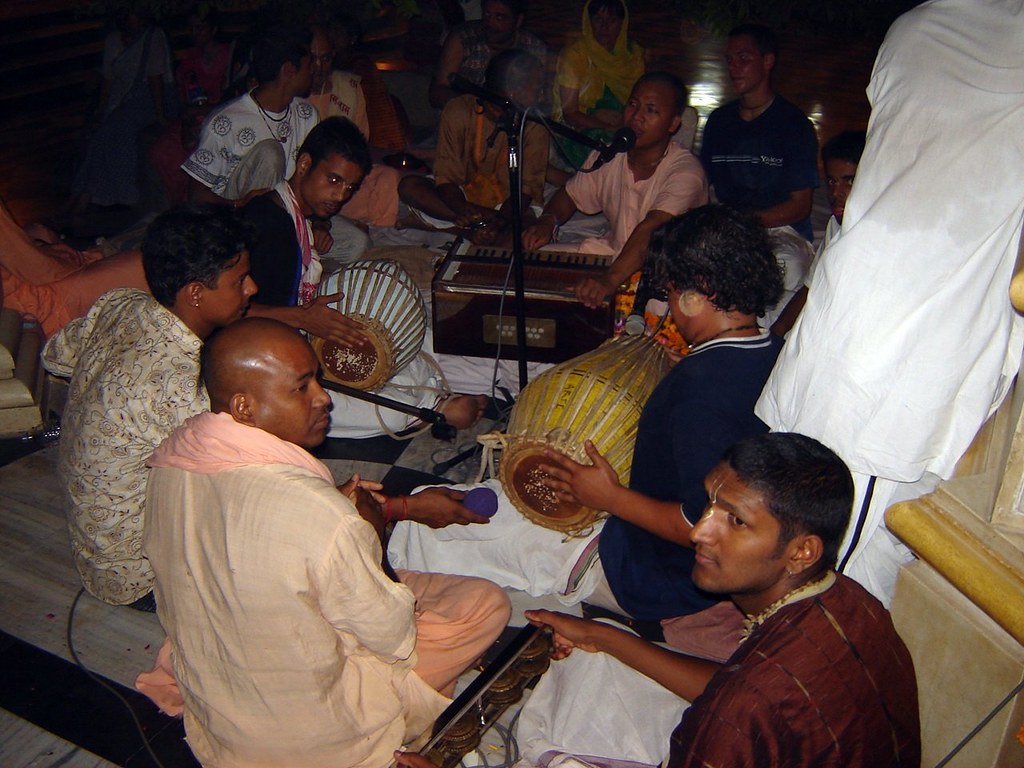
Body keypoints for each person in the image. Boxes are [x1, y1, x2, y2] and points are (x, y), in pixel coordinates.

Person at [390, 205, 783, 650]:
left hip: (640, 568)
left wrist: (608, 497)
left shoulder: (701, 394)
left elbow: (703, 524)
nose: (672, 307)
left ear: (701, 291)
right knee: (492, 500)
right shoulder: (770, 350)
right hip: (651, 540)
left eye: (673, 291)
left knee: (425, 522)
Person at [137, 318, 511, 767]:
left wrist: (387, 511)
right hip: (316, 741)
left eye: (317, 379)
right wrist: (370, 536)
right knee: (483, 605)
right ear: (244, 407)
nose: (324, 397)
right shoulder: (322, 517)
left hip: (222, 716)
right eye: (301, 388)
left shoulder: (174, 462)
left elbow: (259, 536)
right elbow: (393, 635)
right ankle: (407, 731)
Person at [756, 0, 1024, 606]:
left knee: (806, 518)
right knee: (847, 567)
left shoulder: (915, 26)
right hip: (907, 341)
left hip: (866, 302)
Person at [495, 433, 920, 768]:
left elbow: (742, 701)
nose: (700, 531)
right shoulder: (853, 602)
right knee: (598, 658)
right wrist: (604, 636)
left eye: (735, 520)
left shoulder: (732, 720)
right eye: (709, 504)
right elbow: (738, 685)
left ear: (801, 551)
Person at [40, 205, 257, 608]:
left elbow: (55, 355)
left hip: (92, 545)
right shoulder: (177, 385)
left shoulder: (121, 304)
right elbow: (234, 484)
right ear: (195, 293)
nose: (252, 289)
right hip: (136, 575)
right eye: (240, 280)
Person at [241, 116, 488, 436]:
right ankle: (434, 410)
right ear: (304, 164)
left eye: (349, 187)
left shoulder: (296, 216)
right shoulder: (261, 224)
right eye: (333, 180)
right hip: (265, 359)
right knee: (368, 409)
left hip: (300, 329)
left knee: (408, 339)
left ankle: (432, 392)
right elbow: (230, 315)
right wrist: (302, 318)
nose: (341, 196)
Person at [522, 72, 707, 311]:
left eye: (651, 110)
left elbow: (650, 231)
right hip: (612, 255)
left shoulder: (686, 172)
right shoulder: (612, 154)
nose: (636, 116)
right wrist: (548, 221)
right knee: (528, 264)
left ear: (673, 124)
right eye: (633, 104)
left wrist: (608, 280)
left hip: (668, 277)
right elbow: (569, 195)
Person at [699, 23, 818, 326]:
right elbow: (701, 185)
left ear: (767, 61)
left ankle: (762, 347)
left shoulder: (793, 125)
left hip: (781, 231)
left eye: (743, 58)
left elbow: (800, 205)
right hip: (728, 227)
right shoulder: (719, 122)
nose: (734, 68)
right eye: (729, 60)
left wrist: (746, 223)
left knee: (781, 268)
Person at [399, 48, 549, 246]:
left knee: (521, 238)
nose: (542, 95)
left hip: (512, 207)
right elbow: (446, 177)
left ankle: (466, 229)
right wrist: (460, 208)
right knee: (410, 187)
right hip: (462, 199)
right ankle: (471, 228)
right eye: (537, 88)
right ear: (512, 90)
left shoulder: (536, 124)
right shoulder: (459, 109)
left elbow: (526, 190)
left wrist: (500, 221)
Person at [68, 9, 175, 224]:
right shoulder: (114, 40)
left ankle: (87, 197)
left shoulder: (154, 36)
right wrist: (102, 109)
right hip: (122, 99)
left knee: (115, 127)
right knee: (99, 131)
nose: (131, 18)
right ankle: (83, 195)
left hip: (150, 100)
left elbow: (155, 79)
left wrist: (162, 117)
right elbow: (108, 79)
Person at [0, 195, 148, 337]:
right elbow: (34, 270)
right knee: (147, 266)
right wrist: (59, 255)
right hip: (40, 305)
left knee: (39, 231)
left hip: (31, 279)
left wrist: (44, 247)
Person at [770, 129, 865, 337]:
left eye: (849, 181)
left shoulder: (876, 232)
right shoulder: (836, 224)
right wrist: (775, 334)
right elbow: (811, 287)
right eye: (831, 181)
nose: (835, 193)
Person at [306, 25, 400, 232]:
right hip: (309, 182)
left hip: (342, 181)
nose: (319, 67)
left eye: (326, 58)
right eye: (312, 59)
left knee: (387, 178)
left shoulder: (348, 87)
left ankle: (378, 232)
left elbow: (359, 149)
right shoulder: (292, 93)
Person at [149, 8, 234, 207]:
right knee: (162, 151)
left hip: (222, 121)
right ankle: (179, 206)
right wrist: (188, 124)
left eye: (200, 28)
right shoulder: (190, 60)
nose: (196, 33)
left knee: (196, 156)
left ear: (213, 30)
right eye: (192, 28)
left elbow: (233, 99)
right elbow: (185, 101)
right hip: (192, 120)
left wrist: (200, 114)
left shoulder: (229, 56)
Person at [551, 0, 645, 169]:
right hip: (578, 130)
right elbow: (569, 113)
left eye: (612, 20)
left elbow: (639, 103)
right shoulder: (575, 55)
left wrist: (623, 121)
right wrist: (606, 124)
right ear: (588, 21)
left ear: (622, 24)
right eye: (597, 19)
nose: (604, 26)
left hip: (622, 122)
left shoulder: (633, 56)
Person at [429, 0, 547, 110]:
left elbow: (540, 99)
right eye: (486, 14)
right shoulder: (464, 38)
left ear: (518, 20)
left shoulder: (533, 48)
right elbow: (437, 93)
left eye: (499, 17)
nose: (490, 23)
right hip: (463, 121)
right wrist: (480, 106)